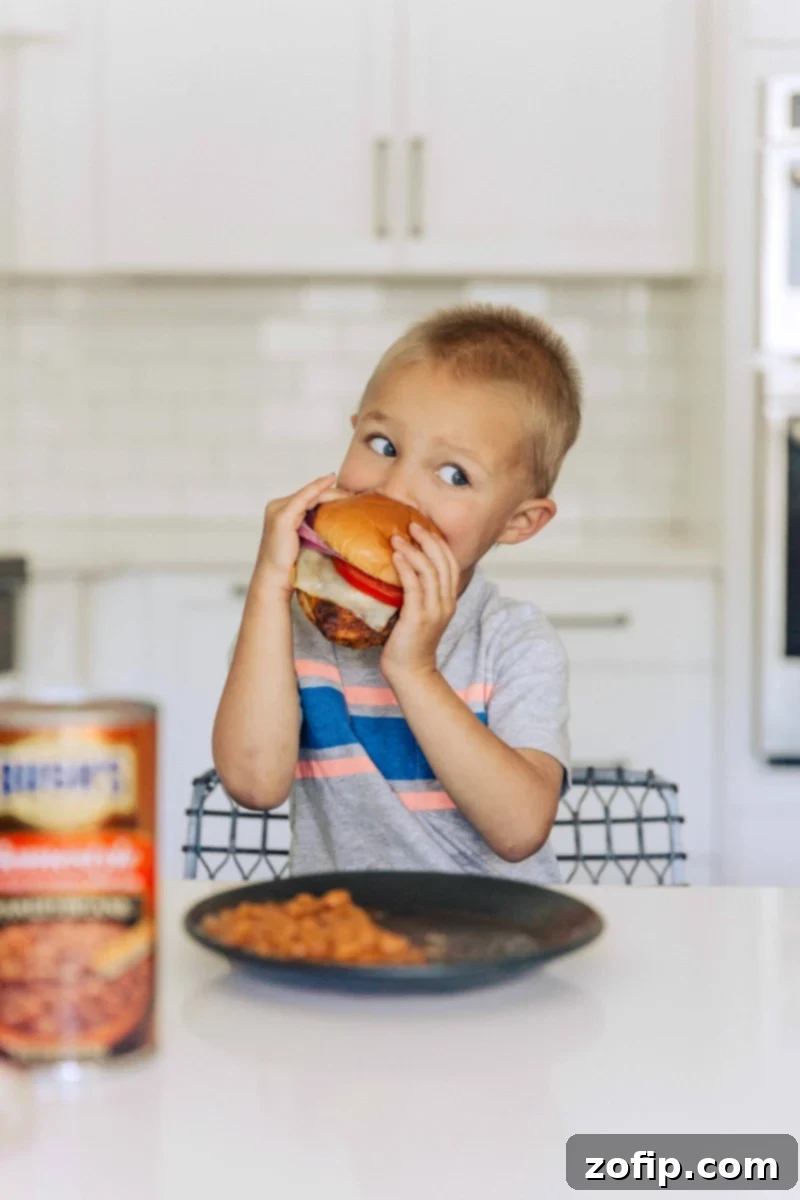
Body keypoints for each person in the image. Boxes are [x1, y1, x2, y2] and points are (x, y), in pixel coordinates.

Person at [213, 304, 582, 882]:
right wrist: (268, 584)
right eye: (383, 444)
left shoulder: (513, 641)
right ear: (353, 428)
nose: (397, 488)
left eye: (454, 474)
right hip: (343, 941)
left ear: (518, 522)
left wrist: (414, 670)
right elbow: (254, 784)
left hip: (491, 944)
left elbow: (519, 830)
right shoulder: (295, 623)